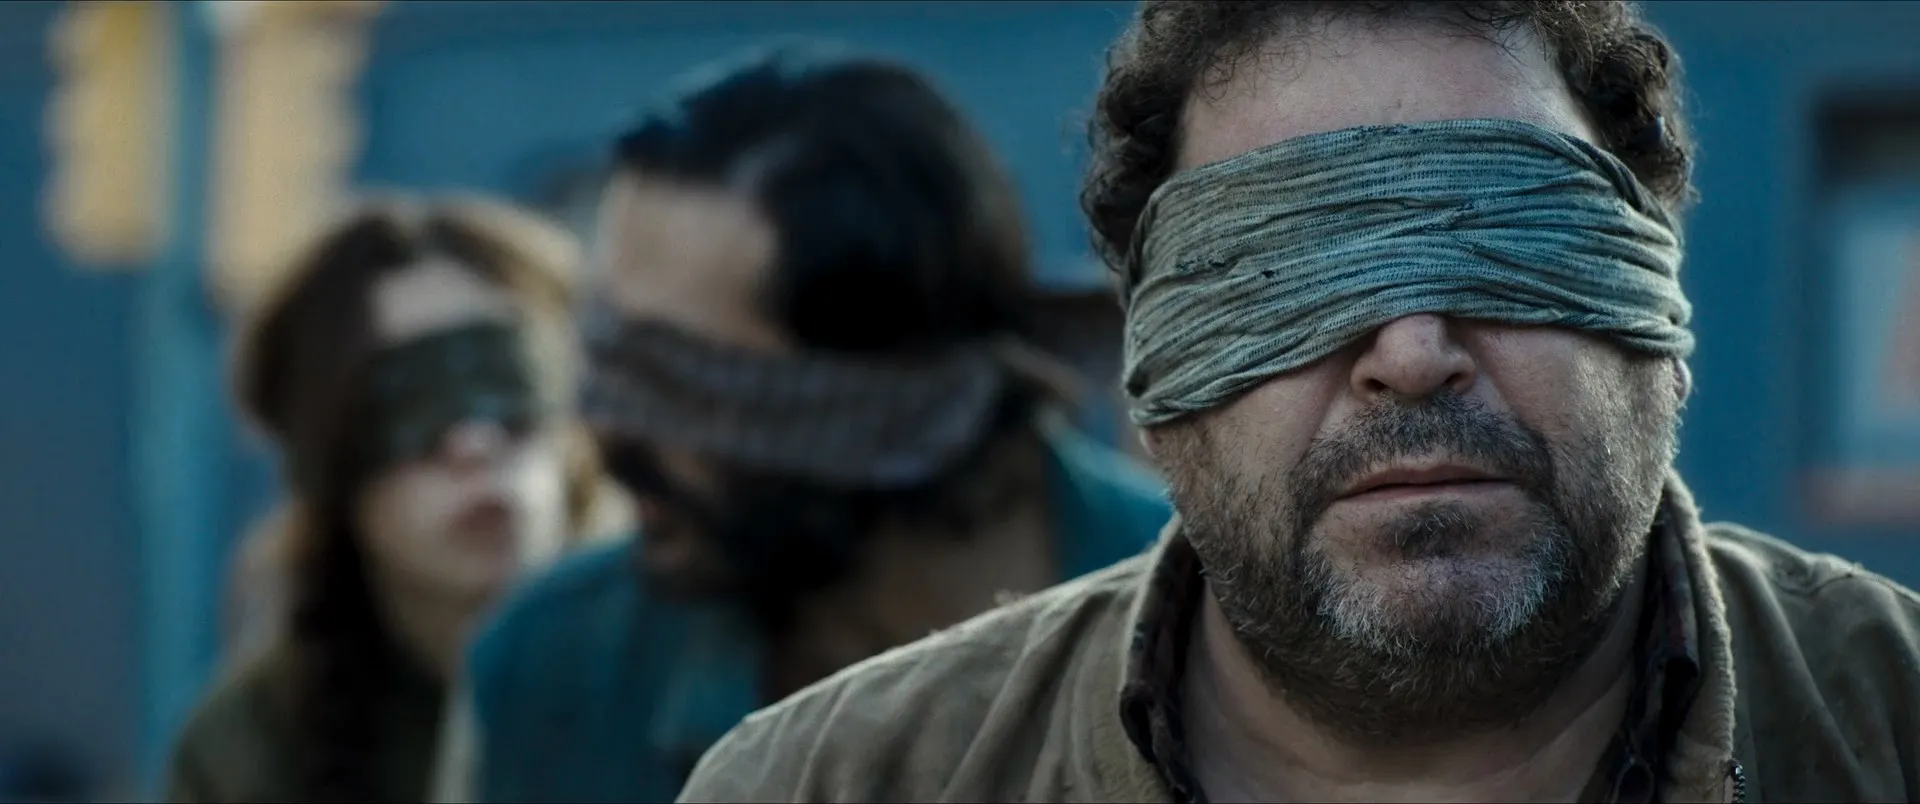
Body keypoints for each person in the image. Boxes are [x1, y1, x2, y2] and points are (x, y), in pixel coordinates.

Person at [678, 3, 1920, 803]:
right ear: (1154, 383)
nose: (1413, 353)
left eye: (1508, 242)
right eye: (1283, 273)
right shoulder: (829, 784)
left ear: (1661, 332)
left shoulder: (1894, 725)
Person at [446, 45, 1172, 803]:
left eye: (675, 382)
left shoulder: (1205, 627)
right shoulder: (553, 672)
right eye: (605, 348)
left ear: (874, 414)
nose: (607, 430)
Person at [165, 196, 623, 803]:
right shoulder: (248, 752)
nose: (474, 441)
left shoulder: (703, 675)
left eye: (505, 375)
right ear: (330, 467)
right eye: (408, 398)